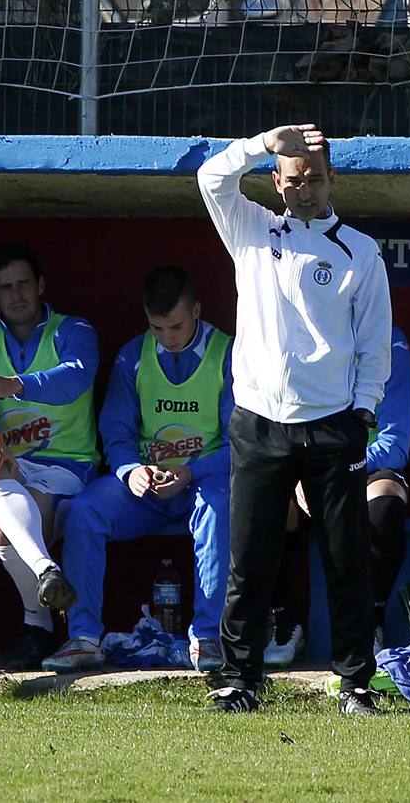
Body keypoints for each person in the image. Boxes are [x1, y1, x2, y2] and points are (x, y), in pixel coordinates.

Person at [197, 123, 392, 716]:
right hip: (258, 420)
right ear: (277, 181)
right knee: (250, 559)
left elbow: (374, 344)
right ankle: (238, 681)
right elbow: (210, 176)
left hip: (334, 423)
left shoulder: (359, 250)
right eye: (292, 180)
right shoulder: (251, 229)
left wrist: (364, 410)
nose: (303, 191)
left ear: (333, 179)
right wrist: (261, 143)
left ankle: (355, 683)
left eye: (313, 180)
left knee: (345, 559)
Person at [44, 267, 234, 673]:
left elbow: (242, 442)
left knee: (219, 506)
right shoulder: (133, 354)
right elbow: (115, 432)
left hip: (202, 482)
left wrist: (191, 473)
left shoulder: (227, 353)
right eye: (157, 327)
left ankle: (206, 637)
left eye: (176, 326)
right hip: (146, 486)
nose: (167, 336)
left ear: (198, 310)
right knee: (84, 511)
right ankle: (83, 637)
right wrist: (131, 470)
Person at [0, 243, 100, 670]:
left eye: (24, 284)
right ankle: (46, 574)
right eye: (6, 287)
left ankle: (37, 625)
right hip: (11, 466)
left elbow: (75, 378)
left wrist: (15, 385)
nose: (17, 295)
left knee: (1, 528)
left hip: (67, 465)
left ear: (41, 285)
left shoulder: (73, 329)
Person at [263, 323, 410, 667]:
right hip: (308, 467)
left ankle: (369, 622)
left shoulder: (390, 339)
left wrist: (339, 470)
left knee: (385, 504)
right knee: (267, 501)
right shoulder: (299, 330)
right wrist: (305, 472)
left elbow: (395, 442)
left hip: (367, 466)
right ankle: (285, 619)